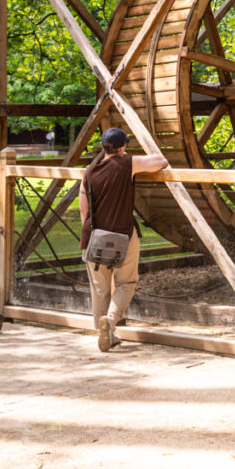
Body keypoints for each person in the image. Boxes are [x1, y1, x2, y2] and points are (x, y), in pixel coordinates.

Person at [79, 127, 167, 352]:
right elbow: (161, 161)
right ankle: (110, 320)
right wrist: (131, 158)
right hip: (123, 235)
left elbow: (83, 210)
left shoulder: (88, 172)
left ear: (103, 147)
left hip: (94, 238)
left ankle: (105, 333)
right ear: (122, 147)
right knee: (126, 282)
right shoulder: (126, 164)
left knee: (99, 289)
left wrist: (91, 238)